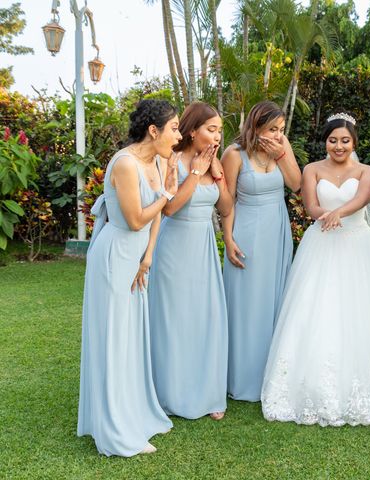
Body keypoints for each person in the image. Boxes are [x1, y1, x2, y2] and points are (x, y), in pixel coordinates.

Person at [261, 113, 370, 429]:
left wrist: (337, 213)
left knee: (366, 313)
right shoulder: (312, 169)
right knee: (319, 311)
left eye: (345, 140)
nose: (339, 146)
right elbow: (310, 204)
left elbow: (363, 198)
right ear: (326, 142)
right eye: (333, 140)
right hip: (321, 246)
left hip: (360, 247)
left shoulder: (367, 171)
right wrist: (325, 215)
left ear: (354, 142)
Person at [77, 99, 181, 456]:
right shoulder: (124, 164)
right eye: (174, 129)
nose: (178, 136)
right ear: (154, 131)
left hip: (136, 258)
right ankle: (115, 427)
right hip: (113, 256)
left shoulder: (158, 160)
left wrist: (148, 257)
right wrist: (166, 192)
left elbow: (156, 219)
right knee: (113, 338)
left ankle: (135, 413)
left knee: (132, 338)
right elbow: (136, 217)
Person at [148, 102, 232, 421]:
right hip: (174, 247)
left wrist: (216, 174)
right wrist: (196, 173)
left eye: (220, 131)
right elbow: (169, 209)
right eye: (211, 129)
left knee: (205, 317)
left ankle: (208, 393)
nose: (217, 136)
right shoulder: (172, 159)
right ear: (193, 130)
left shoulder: (214, 160)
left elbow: (224, 207)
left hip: (204, 247)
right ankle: (171, 393)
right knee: (175, 320)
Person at [221, 101, 302, 401]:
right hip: (247, 231)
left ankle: (272, 375)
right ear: (255, 127)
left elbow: (296, 185)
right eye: (272, 129)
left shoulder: (281, 148)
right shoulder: (234, 154)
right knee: (246, 302)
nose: (277, 134)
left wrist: (281, 152)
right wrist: (228, 239)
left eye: (281, 130)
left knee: (274, 299)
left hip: (277, 230)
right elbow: (226, 202)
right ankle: (241, 378)